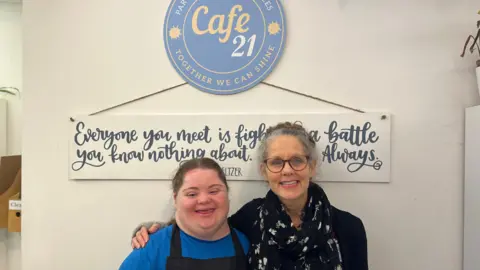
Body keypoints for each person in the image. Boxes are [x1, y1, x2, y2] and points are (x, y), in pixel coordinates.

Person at [130, 122, 368, 270]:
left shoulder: (348, 227)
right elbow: (207, 227)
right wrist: (159, 228)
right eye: (276, 162)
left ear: (312, 166)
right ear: (264, 171)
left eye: (297, 160)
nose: (287, 170)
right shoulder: (250, 218)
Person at [118, 157, 250, 270]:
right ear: (176, 199)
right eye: (192, 194)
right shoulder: (152, 248)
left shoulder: (247, 244)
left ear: (227, 193)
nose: (204, 200)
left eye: (214, 191)